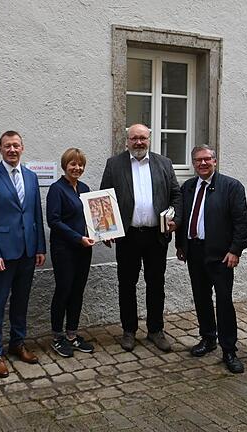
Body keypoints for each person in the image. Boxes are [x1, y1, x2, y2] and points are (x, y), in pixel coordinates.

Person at [100, 123, 181, 352]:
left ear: (149, 140)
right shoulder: (114, 164)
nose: (138, 142)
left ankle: (156, 330)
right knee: (127, 284)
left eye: (142, 138)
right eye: (134, 138)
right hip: (128, 237)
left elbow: (176, 194)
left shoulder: (163, 163)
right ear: (127, 141)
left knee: (156, 284)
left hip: (156, 236)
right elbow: (104, 197)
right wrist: (105, 231)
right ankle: (129, 331)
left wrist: (176, 219)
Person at [176, 145, 247, 374]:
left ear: (215, 161)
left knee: (224, 302)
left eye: (207, 159)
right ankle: (208, 338)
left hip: (221, 255)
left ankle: (229, 349)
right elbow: (183, 218)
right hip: (195, 252)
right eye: (198, 160)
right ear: (193, 163)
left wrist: (235, 250)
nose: (203, 163)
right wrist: (181, 245)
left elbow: (241, 223)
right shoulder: (188, 187)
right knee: (201, 298)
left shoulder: (231, 187)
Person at [0, 130, 46, 377]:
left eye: (16, 145)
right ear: (0, 149)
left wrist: (40, 247)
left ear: (22, 147)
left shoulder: (30, 176)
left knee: (21, 301)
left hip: (28, 250)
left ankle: (18, 343)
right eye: (7, 146)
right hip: (3, 254)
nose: (12, 150)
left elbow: (36, 213)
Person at [46, 148, 97, 357]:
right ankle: (57, 336)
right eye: (73, 164)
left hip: (84, 249)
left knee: (78, 291)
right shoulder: (56, 189)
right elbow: (54, 221)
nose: (77, 168)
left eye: (80, 164)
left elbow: (94, 217)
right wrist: (78, 238)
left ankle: (72, 334)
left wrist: (104, 233)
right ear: (65, 165)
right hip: (64, 249)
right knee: (64, 290)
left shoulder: (85, 188)